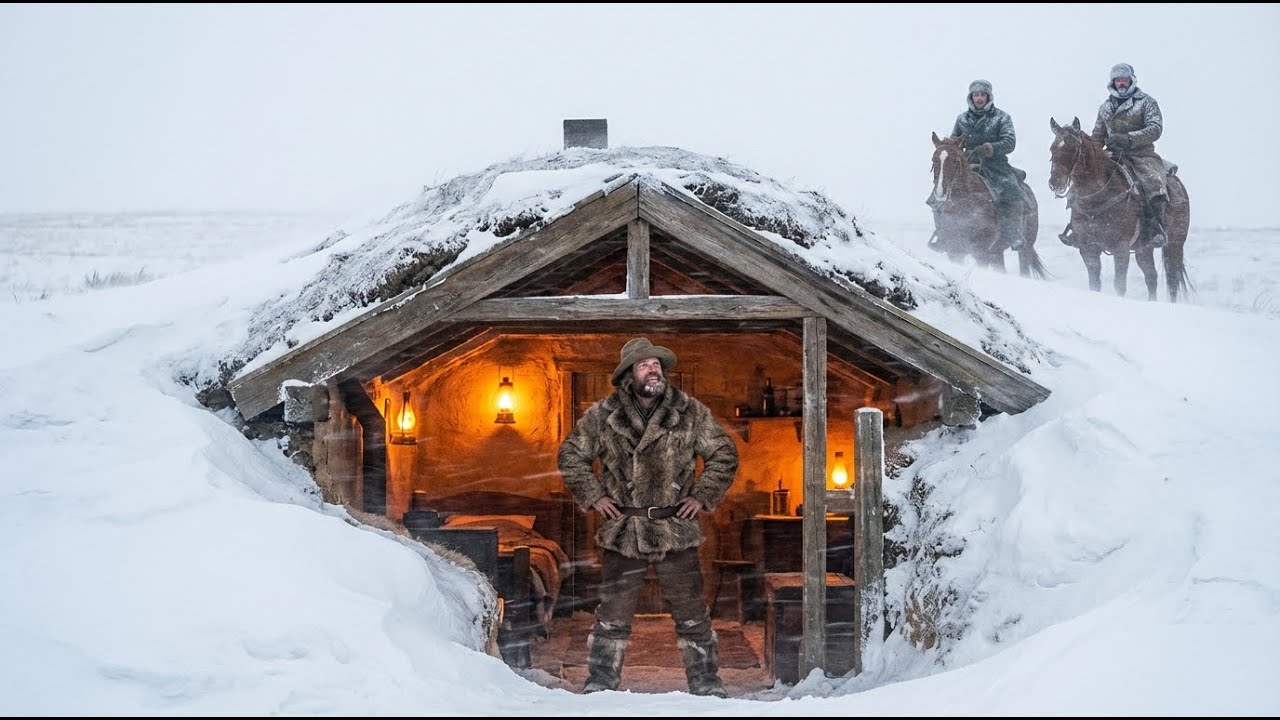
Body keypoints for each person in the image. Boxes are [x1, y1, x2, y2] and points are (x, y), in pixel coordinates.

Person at [557, 337, 739, 698]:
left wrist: (702, 496)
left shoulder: (690, 412)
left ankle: (706, 681)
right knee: (613, 614)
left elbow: (724, 453)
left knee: (692, 612)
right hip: (625, 530)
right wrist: (594, 496)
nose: (653, 370)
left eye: (656, 364)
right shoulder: (603, 416)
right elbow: (571, 456)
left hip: (675, 529)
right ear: (629, 375)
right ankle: (601, 681)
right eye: (644, 365)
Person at [1091, 62, 1169, 247]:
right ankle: (1078, 228)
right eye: (1117, 80)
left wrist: (1129, 138)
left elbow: (1155, 128)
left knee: (1154, 182)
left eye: (1124, 79)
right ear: (1113, 82)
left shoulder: (1147, 102)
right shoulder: (1105, 108)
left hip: (1141, 156)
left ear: (1131, 80)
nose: (1121, 83)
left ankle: (1156, 228)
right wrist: (1093, 153)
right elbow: (1097, 136)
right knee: (1086, 182)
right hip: (1111, 156)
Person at [948, 79, 1032, 251]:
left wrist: (990, 148)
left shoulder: (1002, 117)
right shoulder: (962, 119)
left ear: (988, 97)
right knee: (944, 191)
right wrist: (948, 146)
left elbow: (1010, 142)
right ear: (971, 97)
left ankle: (1013, 233)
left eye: (982, 95)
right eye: (976, 95)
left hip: (995, 165)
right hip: (967, 163)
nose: (979, 98)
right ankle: (944, 233)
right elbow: (954, 140)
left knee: (1011, 191)